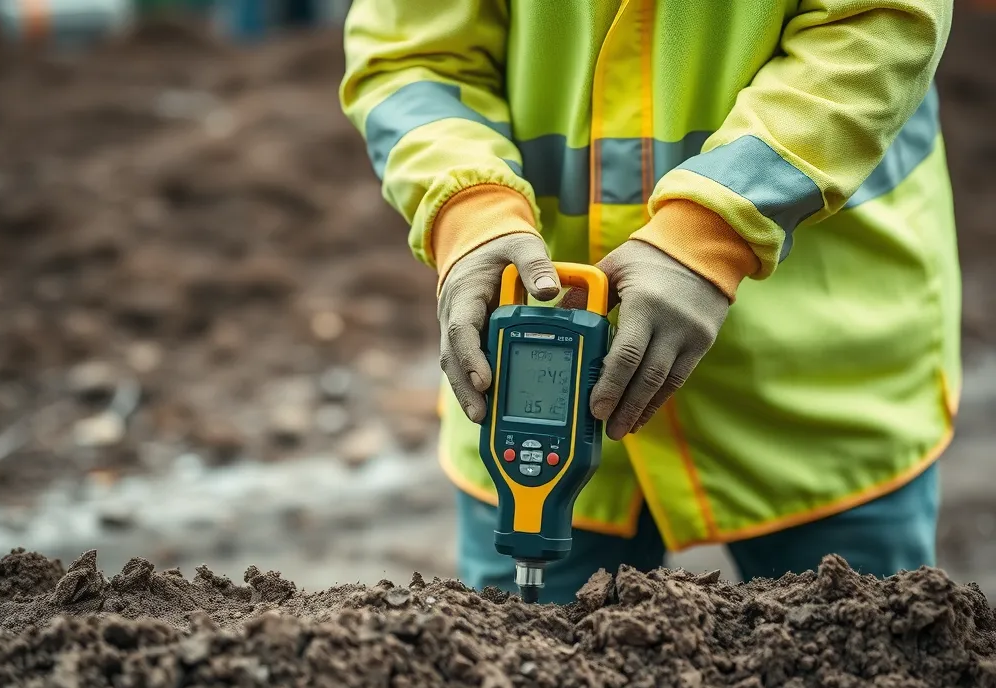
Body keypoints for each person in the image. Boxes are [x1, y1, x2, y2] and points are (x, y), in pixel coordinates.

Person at [340, 0, 960, 603]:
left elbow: (880, 23)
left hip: (815, 390)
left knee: (856, 683)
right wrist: (467, 210)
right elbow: (409, 51)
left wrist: (712, 233)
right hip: (527, 362)